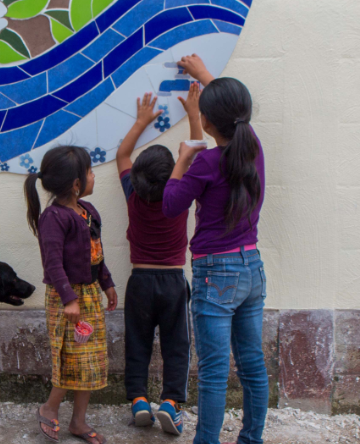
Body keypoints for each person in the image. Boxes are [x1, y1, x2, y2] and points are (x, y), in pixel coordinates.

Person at [163, 55, 268, 444]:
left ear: (207, 122)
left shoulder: (204, 162)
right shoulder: (251, 147)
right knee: (253, 366)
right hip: (252, 268)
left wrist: (181, 160)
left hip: (215, 273)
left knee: (212, 372)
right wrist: (205, 76)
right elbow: (233, 112)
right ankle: (250, 439)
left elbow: (172, 204)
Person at [113, 85, 203, 435]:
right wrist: (194, 115)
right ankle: (170, 403)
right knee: (176, 345)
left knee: (137, 341)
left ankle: (138, 399)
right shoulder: (177, 197)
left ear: (138, 178)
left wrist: (141, 122)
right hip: (172, 282)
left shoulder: (133, 195)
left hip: (139, 281)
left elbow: (122, 155)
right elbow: (194, 152)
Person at [25, 145, 120, 444]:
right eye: (91, 172)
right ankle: (50, 407)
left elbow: (97, 256)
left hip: (89, 295)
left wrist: (107, 283)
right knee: (71, 359)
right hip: (67, 300)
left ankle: (78, 422)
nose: (94, 176)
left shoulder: (88, 212)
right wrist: (69, 298)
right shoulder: (53, 218)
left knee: (89, 361)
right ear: (77, 183)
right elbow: (52, 263)